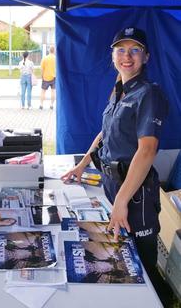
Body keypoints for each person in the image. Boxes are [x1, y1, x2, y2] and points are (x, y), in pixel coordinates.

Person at [61, 27, 170, 304]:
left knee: (141, 263)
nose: (127, 56)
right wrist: (83, 164)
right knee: (117, 253)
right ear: (112, 56)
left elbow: (147, 150)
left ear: (146, 57)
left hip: (135, 193)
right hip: (112, 186)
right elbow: (105, 132)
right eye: (121, 50)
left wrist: (122, 201)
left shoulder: (148, 94)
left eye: (135, 50)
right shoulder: (119, 90)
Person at [39, 45, 56, 110]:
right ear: (54, 51)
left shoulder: (45, 58)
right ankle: (51, 105)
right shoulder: (55, 58)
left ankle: (41, 105)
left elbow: (42, 69)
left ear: (49, 51)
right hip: (54, 77)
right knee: (53, 91)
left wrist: (42, 76)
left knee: (43, 91)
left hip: (45, 77)